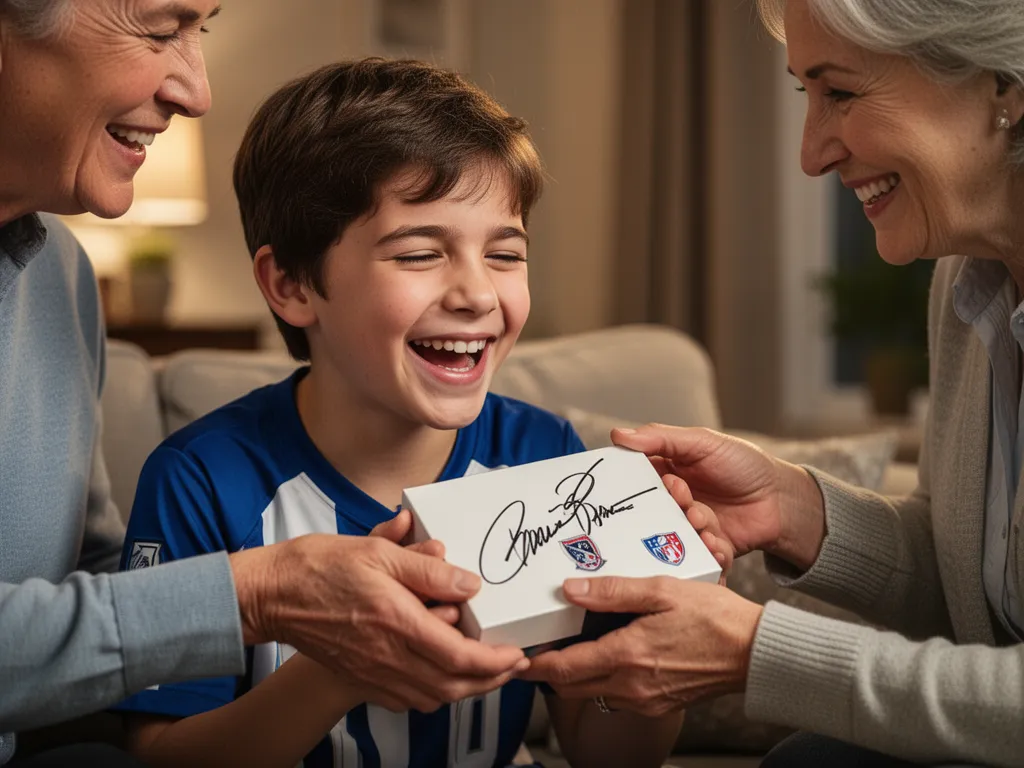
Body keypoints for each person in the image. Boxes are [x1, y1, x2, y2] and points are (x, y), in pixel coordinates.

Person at [106, 58, 689, 768]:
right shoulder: (199, 481)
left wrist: (650, 626)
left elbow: (612, 755)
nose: (477, 292)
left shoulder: (548, 459)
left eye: (505, 254)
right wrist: (345, 666)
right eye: (419, 254)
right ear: (290, 284)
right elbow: (163, 754)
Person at [0, 3, 532, 765]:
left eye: (200, 31)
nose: (197, 91)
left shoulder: (60, 275)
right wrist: (258, 595)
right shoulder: (206, 473)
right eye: (159, 29)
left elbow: (91, 585)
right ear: (288, 284)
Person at [525, 1, 1024, 767]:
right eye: (805, 96)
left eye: (842, 94)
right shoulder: (967, 286)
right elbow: (976, 590)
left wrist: (762, 651)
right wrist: (797, 509)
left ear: (1005, 85)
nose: (812, 155)